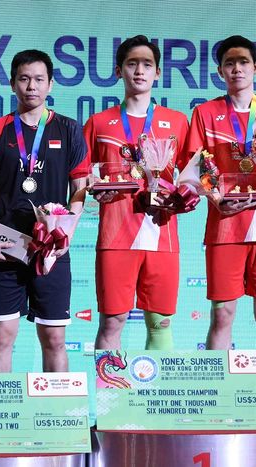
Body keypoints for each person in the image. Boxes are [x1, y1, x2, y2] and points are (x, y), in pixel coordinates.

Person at [0, 49, 88, 372]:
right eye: (24, 79)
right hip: (4, 247)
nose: (31, 86)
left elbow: (79, 190)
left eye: (39, 79)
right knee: (1, 338)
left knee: (54, 339)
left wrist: (66, 234)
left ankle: (58, 418)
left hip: (50, 251)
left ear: (51, 84)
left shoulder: (69, 130)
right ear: (12, 84)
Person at [186, 35, 256, 350]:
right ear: (221, 72)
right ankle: (216, 395)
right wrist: (215, 194)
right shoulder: (205, 113)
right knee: (222, 315)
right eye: (229, 63)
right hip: (225, 227)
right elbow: (194, 166)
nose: (237, 69)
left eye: (243, 62)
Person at [83, 35, 192, 351]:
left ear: (158, 73)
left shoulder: (177, 122)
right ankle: (110, 399)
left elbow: (194, 175)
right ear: (118, 71)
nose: (139, 71)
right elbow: (82, 177)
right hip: (115, 238)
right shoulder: (99, 123)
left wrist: (186, 194)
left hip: (163, 235)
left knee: (161, 324)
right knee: (112, 323)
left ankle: (155, 398)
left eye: (147, 65)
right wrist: (94, 188)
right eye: (132, 64)